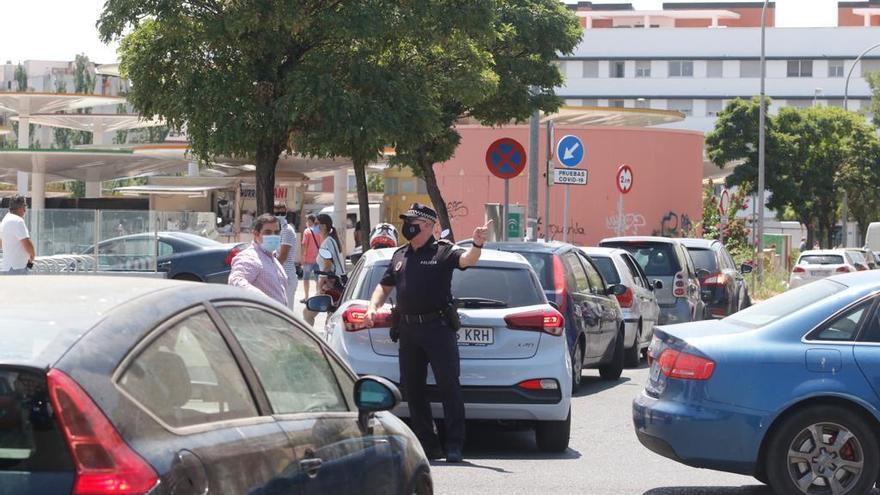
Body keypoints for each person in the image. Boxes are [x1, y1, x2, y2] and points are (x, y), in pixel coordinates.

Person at [363, 203, 490, 463]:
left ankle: (454, 444)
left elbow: (467, 261)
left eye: (414, 221)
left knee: (448, 387)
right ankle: (428, 444)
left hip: (438, 329)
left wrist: (477, 245)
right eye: (407, 220)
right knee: (413, 389)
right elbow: (384, 286)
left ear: (430, 226)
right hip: (408, 330)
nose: (408, 225)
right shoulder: (399, 255)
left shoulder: (443, 252)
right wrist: (372, 307)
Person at [228, 213, 288, 305]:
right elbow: (236, 281)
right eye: (268, 232)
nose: (273, 236)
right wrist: (265, 301)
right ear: (256, 234)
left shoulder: (271, 258)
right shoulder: (250, 257)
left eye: (276, 232)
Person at [0, 195, 35, 275]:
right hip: (18, 267)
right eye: (24, 208)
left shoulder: (5, 220)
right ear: (20, 208)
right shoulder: (18, 221)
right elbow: (27, 244)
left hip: (7, 267)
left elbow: (1, 243)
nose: (25, 211)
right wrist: (32, 256)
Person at [275, 206, 299, 310]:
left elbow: (283, 256)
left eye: (282, 213)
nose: (279, 215)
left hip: (287, 277)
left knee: (286, 312)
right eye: (276, 213)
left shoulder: (287, 231)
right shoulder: (278, 230)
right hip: (281, 276)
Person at [315, 213, 346, 293]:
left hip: (332, 283)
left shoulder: (327, 243)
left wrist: (320, 285)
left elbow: (327, 267)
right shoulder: (330, 240)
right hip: (334, 282)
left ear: (324, 226)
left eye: (316, 224)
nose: (314, 227)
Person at [300, 214, 323, 303]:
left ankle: (306, 297)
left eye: (307, 221)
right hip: (318, 259)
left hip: (308, 259)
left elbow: (304, 245)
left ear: (310, 222)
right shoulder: (319, 231)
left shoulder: (307, 231)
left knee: (306, 278)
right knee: (318, 279)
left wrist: (303, 257)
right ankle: (317, 296)